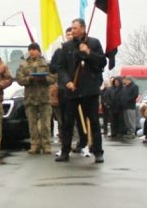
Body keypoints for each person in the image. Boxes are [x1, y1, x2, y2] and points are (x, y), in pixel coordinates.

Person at [53, 19, 106, 164]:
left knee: (94, 122)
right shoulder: (67, 46)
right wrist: (67, 81)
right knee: (68, 122)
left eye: (75, 28)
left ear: (83, 28)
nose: (73, 30)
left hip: (90, 90)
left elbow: (102, 62)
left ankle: (98, 151)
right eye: (72, 28)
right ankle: (65, 151)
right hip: (72, 90)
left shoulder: (94, 43)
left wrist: (88, 52)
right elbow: (61, 67)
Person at [16, 42, 55, 154]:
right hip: (30, 98)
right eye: (30, 50)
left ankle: (46, 145)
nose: (32, 52)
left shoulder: (46, 63)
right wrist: (29, 79)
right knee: (32, 124)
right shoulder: (23, 64)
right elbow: (19, 79)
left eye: (34, 49)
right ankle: (35, 145)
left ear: (39, 51)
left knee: (45, 124)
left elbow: (53, 78)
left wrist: (45, 79)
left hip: (44, 98)